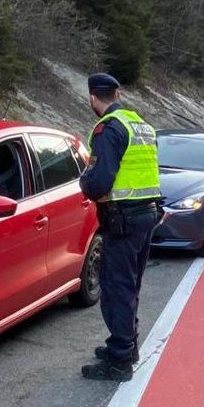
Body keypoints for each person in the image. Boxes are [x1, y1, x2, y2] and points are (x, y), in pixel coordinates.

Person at [78, 72, 161, 382]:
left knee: (116, 289)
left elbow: (99, 181)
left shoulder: (108, 129)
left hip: (123, 219)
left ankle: (119, 361)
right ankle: (127, 346)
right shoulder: (141, 124)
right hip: (146, 215)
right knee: (131, 285)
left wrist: (83, 182)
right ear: (118, 94)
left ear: (92, 97)